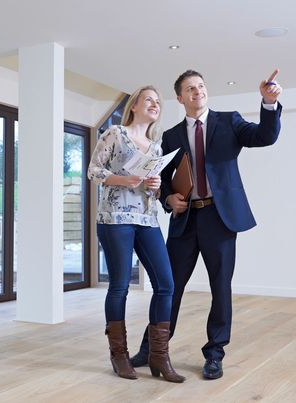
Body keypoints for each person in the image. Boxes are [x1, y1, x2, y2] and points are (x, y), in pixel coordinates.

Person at [130, 69, 283, 380]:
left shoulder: (230, 122)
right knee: (168, 288)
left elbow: (264, 137)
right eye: (190, 88)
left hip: (220, 218)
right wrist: (169, 199)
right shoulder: (171, 136)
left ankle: (214, 354)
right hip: (186, 220)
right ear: (180, 97)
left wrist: (268, 104)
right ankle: (152, 349)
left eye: (200, 86)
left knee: (220, 288)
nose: (197, 92)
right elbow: (161, 180)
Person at [88, 85, 185, 383]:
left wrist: (155, 187)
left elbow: (150, 190)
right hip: (115, 218)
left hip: (147, 219)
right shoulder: (115, 133)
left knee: (166, 285)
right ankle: (119, 356)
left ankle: (159, 356)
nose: (155, 105)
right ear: (134, 106)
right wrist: (123, 178)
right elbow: (94, 171)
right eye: (149, 100)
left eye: (158, 102)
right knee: (119, 286)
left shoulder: (156, 147)